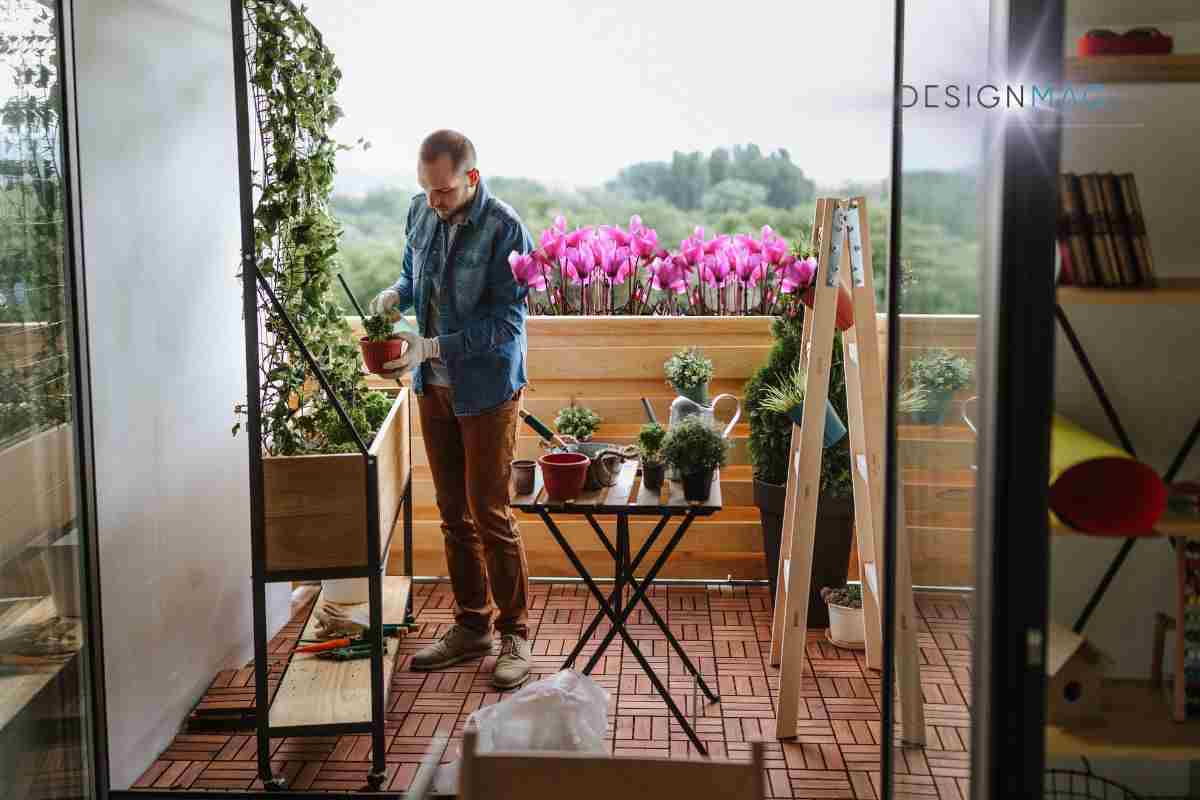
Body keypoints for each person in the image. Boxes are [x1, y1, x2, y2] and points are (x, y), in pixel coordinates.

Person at [369, 130, 534, 689]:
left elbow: (506, 324)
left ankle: (515, 632)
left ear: (472, 178)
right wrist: (395, 295)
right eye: (426, 189)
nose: (434, 202)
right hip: (431, 387)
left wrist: (435, 345)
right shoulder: (420, 212)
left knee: (489, 511)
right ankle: (472, 625)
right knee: (451, 512)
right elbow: (415, 281)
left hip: (486, 389)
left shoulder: (506, 230)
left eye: (442, 191)